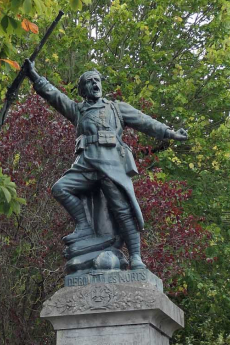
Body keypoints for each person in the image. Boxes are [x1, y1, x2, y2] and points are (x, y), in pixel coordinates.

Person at [24, 60, 188, 269]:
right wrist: (34, 76)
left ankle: (135, 256)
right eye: (90, 82)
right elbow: (53, 95)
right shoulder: (78, 110)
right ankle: (83, 226)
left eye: (97, 80)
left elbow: (145, 121)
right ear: (83, 90)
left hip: (111, 163)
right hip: (85, 163)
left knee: (122, 209)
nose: (95, 84)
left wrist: (170, 132)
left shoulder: (117, 109)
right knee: (60, 188)